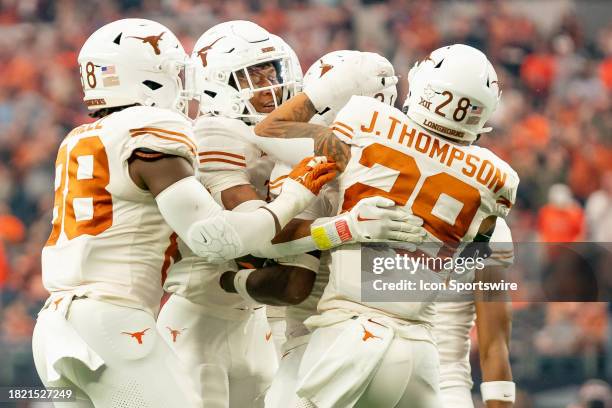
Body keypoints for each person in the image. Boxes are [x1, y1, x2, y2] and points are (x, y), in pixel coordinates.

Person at [32, 18, 335, 408]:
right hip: (113, 321)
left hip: (57, 320)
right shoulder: (151, 130)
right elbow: (217, 239)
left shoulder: (81, 137)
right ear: (152, 79)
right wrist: (296, 193)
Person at [252, 44, 519, 407]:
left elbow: (268, 131)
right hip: (426, 362)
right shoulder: (497, 182)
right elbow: (493, 330)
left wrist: (329, 89)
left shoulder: (367, 119)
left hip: (353, 336)